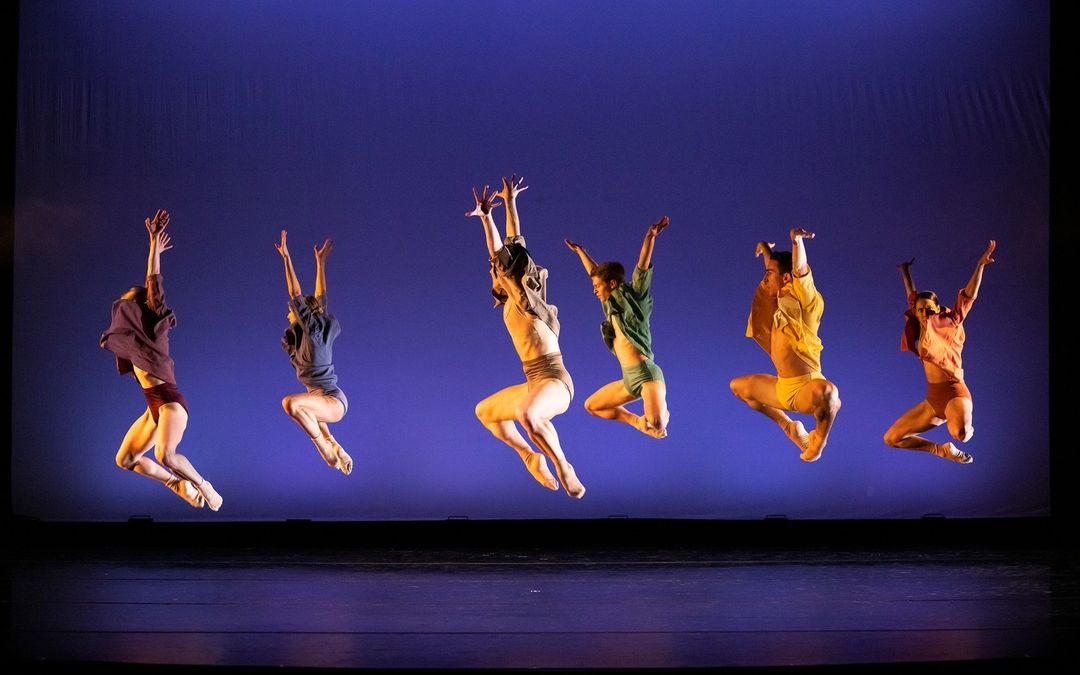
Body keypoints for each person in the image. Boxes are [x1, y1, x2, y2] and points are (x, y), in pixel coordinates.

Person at [467, 176, 586, 498]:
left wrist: (493, 216)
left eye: (498, 272)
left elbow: (505, 253)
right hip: (533, 381)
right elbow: (507, 246)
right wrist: (503, 206)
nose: (494, 274)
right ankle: (530, 456)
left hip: (556, 381)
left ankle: (563, 465)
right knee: (485, 412)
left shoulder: (526, 300)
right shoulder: (510, 303)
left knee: (527, 415)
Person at [100, 209, 223, 510]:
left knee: (165, 455)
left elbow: (153, 282)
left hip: (170, 403)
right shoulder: (134, 342)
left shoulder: (155, 326)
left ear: (140, 307)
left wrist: (154, 244)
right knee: (125, 459)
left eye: (129, 305)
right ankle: (176, 483)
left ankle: (203, 485)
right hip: (153, 406)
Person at [729, 228, 841, 461]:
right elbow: (777, 271)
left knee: (828, 392)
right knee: (738, 387)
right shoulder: (780, 305)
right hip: (782, 388)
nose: (765, 279)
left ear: (787, 278)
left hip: (806, 388)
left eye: (769, 274)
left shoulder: (806, 303)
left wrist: (796, 241)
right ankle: (789, 426)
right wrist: (765, 249)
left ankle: (818, 442)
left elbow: (799, 270)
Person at [882, 240, 996, 464]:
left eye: (929, 309)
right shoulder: (918, 324)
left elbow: (968, 296)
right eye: (920, 310)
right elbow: (912, 295)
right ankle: (941, 450)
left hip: (954, 392)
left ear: (937, 309)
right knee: (892, 438)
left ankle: (967, 426)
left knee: (961, 434)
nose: (924, 313)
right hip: (933, 399)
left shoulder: (952, 320)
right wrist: (905, 271)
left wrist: (980, 265)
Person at [565, 216, 671, 438]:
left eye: (597, 286)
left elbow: (642, 267)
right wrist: (581, 252)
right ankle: (637, 422)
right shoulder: (609, 305)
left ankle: (661, 412)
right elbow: (594, 272)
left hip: (647, 375)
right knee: (592, 406)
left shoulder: (636, 298)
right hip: (629, 379)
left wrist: (650, 237)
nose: (594, 290)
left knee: (657, 423)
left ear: (612, 283)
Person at [275, 230, 353, 475]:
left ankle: (326, 450)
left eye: (293, 311)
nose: (289, 312)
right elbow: (321, 299)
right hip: (319, 401)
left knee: (290, 403)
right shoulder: (304, 337)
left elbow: (296, 294)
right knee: (302, 407)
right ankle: (336, 446)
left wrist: (286, 258)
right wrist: (320, 263)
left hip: (332, 401)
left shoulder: (314, 332)